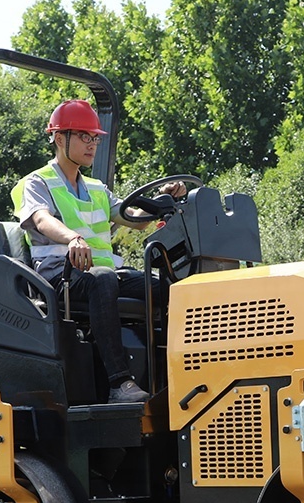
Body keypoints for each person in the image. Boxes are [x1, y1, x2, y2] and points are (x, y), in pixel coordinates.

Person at [11, 99, 185, 403]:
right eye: (83, 136)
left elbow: (132, 218)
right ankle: (120, 383)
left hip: (102, 274)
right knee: (102, 279)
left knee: (171, 289)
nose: (92, 144)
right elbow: (41, 219)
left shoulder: (96, 188)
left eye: (94, 138)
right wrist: (72, 238)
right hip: (59, 274)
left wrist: (160, 200)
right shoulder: (38, 182)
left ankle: (181, 372)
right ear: (59, 137)